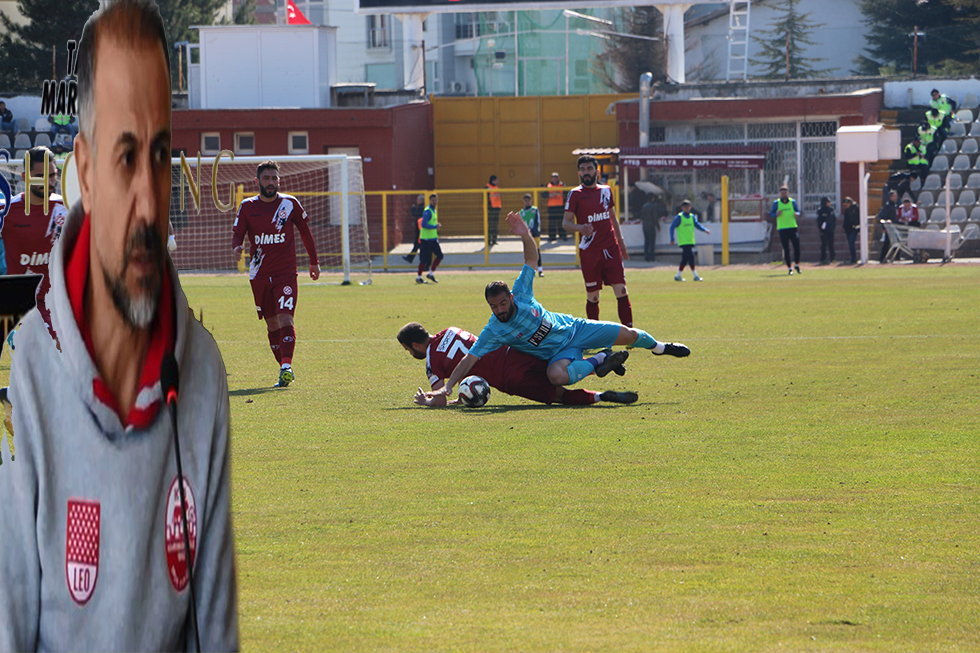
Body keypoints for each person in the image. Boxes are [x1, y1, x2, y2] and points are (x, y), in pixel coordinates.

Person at [0, 2, 238, 650]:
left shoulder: (201, 372)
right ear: (84, 166)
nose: (147, 199)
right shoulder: (31, 378)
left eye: (160, 155)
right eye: (124, 155)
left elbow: (214, 622)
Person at [429, 212, 690, 401]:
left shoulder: (521, 292)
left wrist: (525, 234)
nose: (499, 310)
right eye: (493, 306)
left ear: (510, 296)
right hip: (558, 354)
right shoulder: (494, 330)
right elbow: (469, 358)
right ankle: (601, 360)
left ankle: (660, 348)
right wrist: (449, 386)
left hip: (575, 330)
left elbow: (531, 258)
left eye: (502, 303)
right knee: (556, 376)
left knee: (629, 335)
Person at [398, 323, 638, 407]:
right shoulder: (450, 330)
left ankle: (600, 396)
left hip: (507, 377)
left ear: (415, 346)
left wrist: (426, 401)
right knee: (558, 366)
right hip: (511, 352)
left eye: (408, 350)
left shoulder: (431, 360)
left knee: (558, 395)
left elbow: (439, 399)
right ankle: (600, 357)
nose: (410, 354)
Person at [233, 159, 321, 387]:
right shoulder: (247, 206)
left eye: (274, 178)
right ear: (257, 181)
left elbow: (305, 232)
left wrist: (314, 262)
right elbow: (238, 233)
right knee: (272, 324)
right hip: (260, 275)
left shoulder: (289, 204)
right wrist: (237, 246)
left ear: (278, 180)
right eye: (266, 178)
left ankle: (286, 365)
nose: (271, 182)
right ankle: (282, 368)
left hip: (285, 273)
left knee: (285, 318)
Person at [562, 154, 633, 327]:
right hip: (590, 252)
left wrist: (621, 242)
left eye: (589, 169)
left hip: (610, 248)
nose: (586, 172)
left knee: (622, 290)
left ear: (597, 172)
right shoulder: (575, 194)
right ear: (579, 173)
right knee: (593, 296)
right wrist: (580, 228)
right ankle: (595, 336)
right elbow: (566, 223)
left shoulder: (606, 191)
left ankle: (630, 334)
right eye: (583, 169)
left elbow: (612, 217)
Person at [669, 199, 710, 281]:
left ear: (690, 207)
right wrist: (672, 238)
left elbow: (697, 225)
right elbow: (672, 227)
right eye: (685, 207)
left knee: (685, 259)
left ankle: (677, 276)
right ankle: (695, 276)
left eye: (688, 207)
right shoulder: (679, 217)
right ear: (682, 208)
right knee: (691, 257)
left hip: (690, 240)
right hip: (683, 241)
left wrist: (705, 230)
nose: (686, 208)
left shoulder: (692, 216)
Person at [771, 185, 802, 275]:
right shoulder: (776, 203)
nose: (784, 194)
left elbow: (797, 211)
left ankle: (796, 264)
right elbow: (772, 213)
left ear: (788, 193)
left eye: (785, 193)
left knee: (797, 247)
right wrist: (776, 214)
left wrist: (797, 214)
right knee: (786, 249)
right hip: (782, 228)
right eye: (782, 193)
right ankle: (789, 267)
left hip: (792, 227)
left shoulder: (792, 202)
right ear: (780, 194)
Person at [413, 193, 442, 284]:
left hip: (433, 239)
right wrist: (435, 226)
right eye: (433, 200)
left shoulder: (434, 211)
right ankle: (418, 277)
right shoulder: (428, 211)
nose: (435, 202)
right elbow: (424, 224)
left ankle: (431, 273)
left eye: (436, 200)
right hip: (426, 239)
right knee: (424, 259)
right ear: (430, 201)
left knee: (440, 255)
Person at [518, 192, 544, 276]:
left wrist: (533, 230)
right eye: (525, 200)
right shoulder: (521, 212)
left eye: (528, 200)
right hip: (526, 235)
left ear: (531, 200)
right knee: (527, 252)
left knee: (537, 251)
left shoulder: (534, 210)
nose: (527, 202)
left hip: (534, 234)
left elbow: (537, 222)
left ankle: (540, 270)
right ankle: (527, 271)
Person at [876, 189, 899, 263]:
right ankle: (883, 258)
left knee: (893, 242)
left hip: (893, 227)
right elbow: (881, 217)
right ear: (890, 197)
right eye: (894, 196)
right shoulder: (888, 206)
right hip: (889, 228)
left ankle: (896, 256)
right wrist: (884, 226)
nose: (896, 197)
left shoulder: (893, 205)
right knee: (888, 243)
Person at [639, 193, 662, 262]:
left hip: (645, 225)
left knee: (646, 242)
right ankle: (652, 257)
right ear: (653, 198)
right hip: (651, 225)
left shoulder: (644, 206)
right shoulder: (653, 205)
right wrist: (658, 226)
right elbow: (655, 217)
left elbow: (642, 217)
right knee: (652, 242)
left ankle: (646, 257)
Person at [403, 193, 424, 264]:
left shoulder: (421, 207)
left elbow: (415, 214)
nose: (417, 201)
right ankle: (410, 258)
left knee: (419, 245)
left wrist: (413, 208)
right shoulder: (422, 207)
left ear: (421, 200)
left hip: (420, 230)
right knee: (417, 245)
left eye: (418, 200)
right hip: (420, 229)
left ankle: (420, 260)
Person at [546, 172, 567, 241]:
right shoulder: (548, 185)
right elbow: (543, 194)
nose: (554, 179)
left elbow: (566, 194)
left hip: (560, 206)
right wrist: (549, 195)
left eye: (556, 177)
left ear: (558, 178)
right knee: (552, 223)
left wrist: (558, 194)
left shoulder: (562, 185)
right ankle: (552, 237)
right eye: (553, 178)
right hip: (551, 206)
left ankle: (563, 235)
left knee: (561, 222)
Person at [816, 196, 837, 264]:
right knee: (824, 244)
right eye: (828, 202)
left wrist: (833, 226)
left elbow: (834, 219)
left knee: (831, 244)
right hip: (824, 231)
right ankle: (823, 258)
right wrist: (821, 228)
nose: (829, 203)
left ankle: (832, 258)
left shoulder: (831, 210)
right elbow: (819, 221)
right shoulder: (821, 211)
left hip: (831, 230)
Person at [842, 197, 860, 264]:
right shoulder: (846, 210)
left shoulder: (856, 208)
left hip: (854, 228)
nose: (845, 206)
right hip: (848, 229)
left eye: (846, 204)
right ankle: (853, 257)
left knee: (851, 242)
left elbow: (857, 218)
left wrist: (857, 225)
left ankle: (854, 258)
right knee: (850, 243)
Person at [486, 174, 501, 246]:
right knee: (490, 225)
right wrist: (488, 208)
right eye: (496, 180)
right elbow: (486, 199)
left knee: (495, 225)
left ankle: (494, 240)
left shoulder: (496, 187)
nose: (497, 181)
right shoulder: (487, 188)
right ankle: (489, 241)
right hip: (491, 209)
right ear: (493, 180)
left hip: (497, 208)